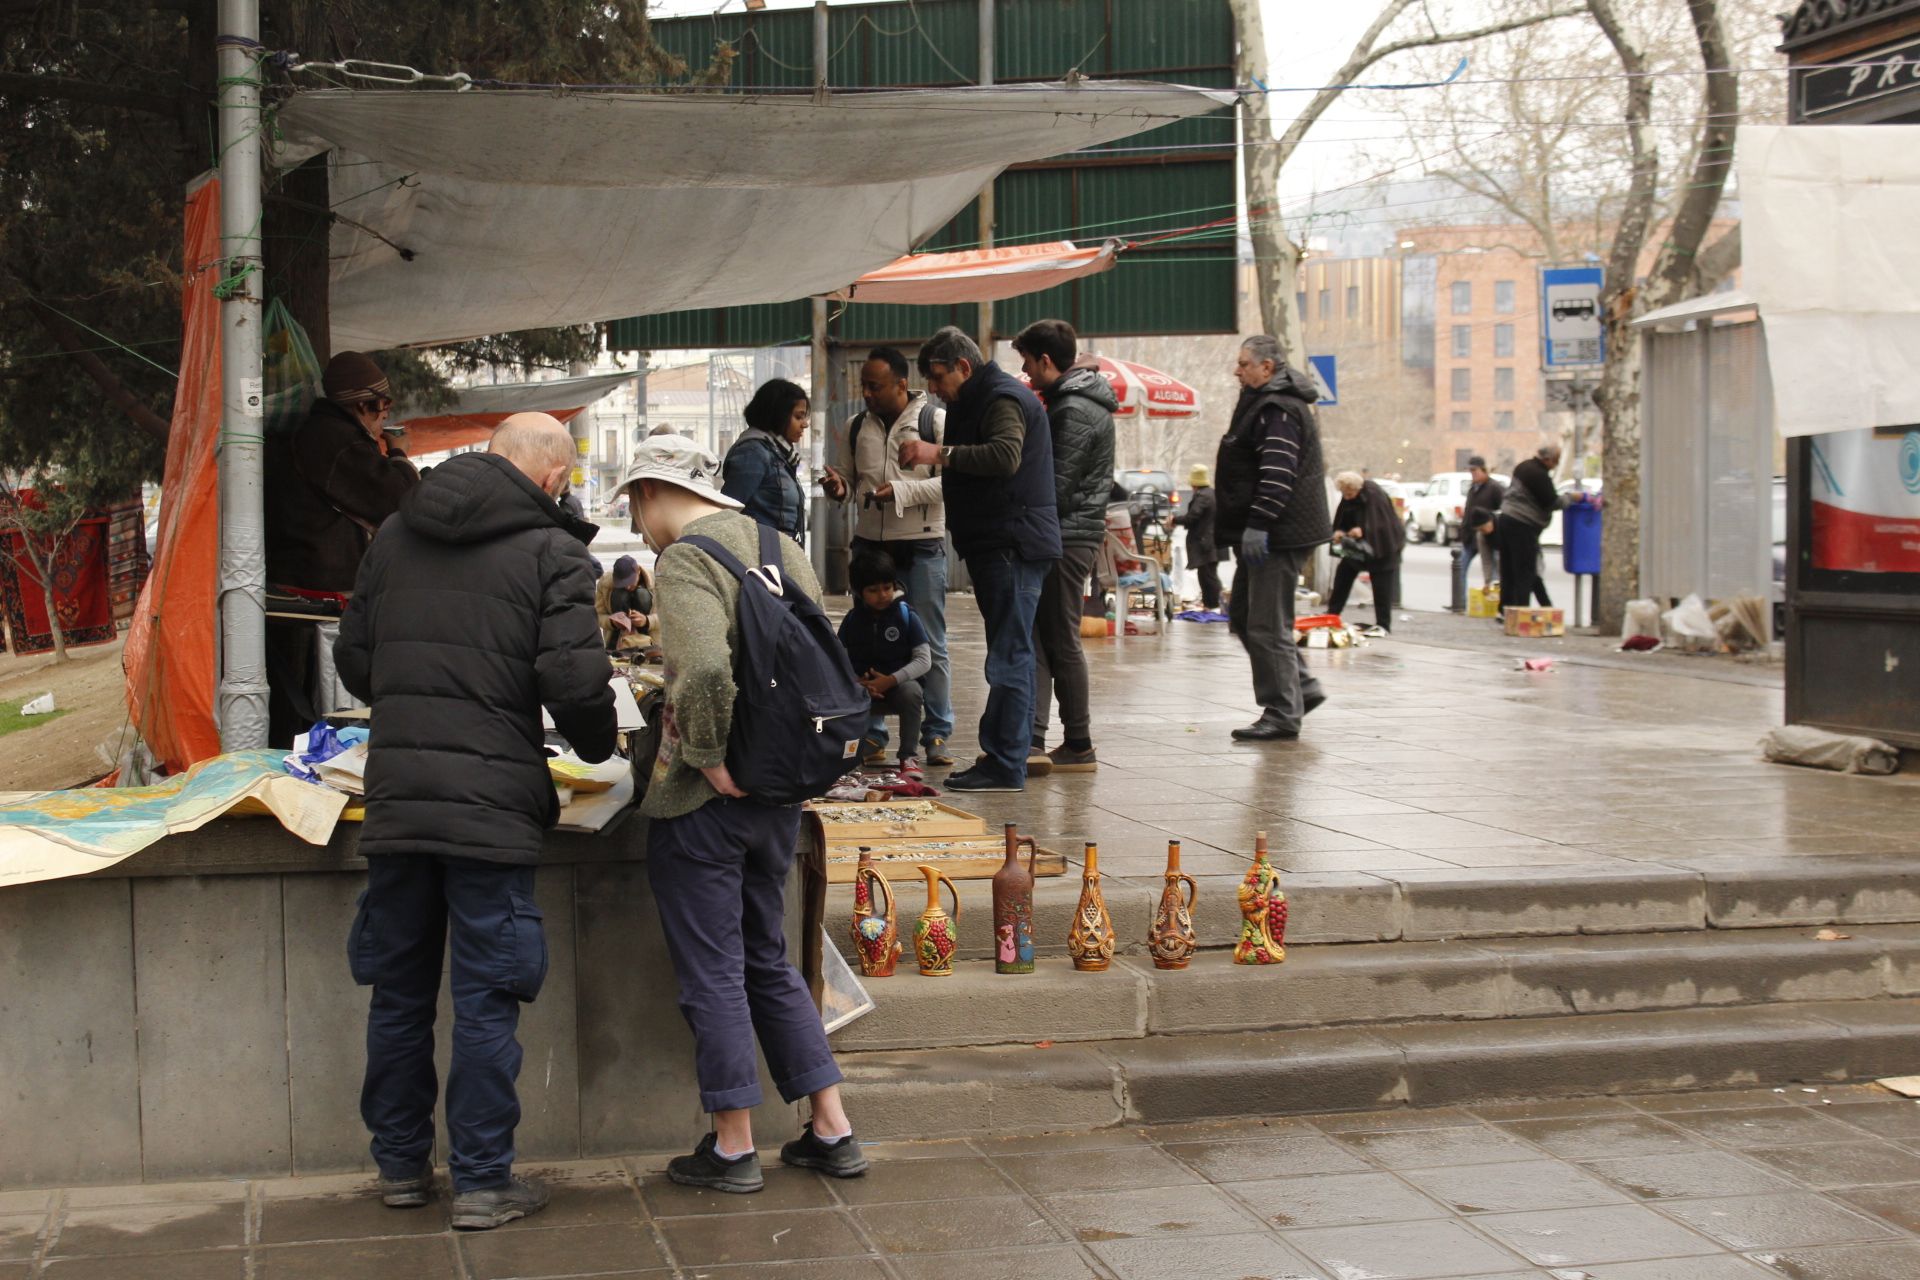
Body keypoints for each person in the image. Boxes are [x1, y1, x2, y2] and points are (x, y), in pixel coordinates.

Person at [333, 412, 617, 1231]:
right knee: (487, 998)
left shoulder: (394, 531)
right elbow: (574, 684)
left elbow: (355, 657)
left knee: (398, 993)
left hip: (396, 797)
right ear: (554, 477)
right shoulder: (552, 550)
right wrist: (603, 747)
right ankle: (485, 1182)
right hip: (491, 810)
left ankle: (400, 1170)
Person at [624, 432, 864, 1192]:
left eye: (636, 510)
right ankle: (831, 1126)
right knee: (768, 957)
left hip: (710, 803)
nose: (638, 529)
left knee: (715, 971)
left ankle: (733, 1146)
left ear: (650, 493)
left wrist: (708, 757)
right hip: (781, 795)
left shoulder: (686, 558)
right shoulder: (779, 543)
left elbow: (700, 673)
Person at [899, 326, 1063, 792]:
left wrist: (939, 453)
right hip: (999, 541)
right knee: (1011, 653)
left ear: (963, 367)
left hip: (1011, 542)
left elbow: (1005, 456)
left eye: (936, 377)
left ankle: (1005, 762)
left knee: (1010, 656)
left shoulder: (1001, 398)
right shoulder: (975, 399)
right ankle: (1004, 755)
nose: (932, 388)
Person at [264, 350, 420, 744]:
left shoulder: (327, 434)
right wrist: (399, 453)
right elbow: (398, 498)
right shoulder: (334, 439)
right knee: (329, 715)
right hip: (316, 590)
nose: (386, 414)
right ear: (364, 404)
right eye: (383, 406)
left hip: (304, 582)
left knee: (305, 705)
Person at [823, 347, 955, 768]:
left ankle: (936, 735)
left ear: (901, 384)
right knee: (867, 639)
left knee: (929, 640)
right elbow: (847, 476)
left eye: (875, 386)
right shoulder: (856, 424)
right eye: (864, 386)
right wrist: (838, 489)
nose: (867, 394)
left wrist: (900, 492)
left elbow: (953, 484)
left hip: (920, 543)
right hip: (869, 544)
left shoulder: (934, 421)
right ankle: (874, 735)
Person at [1212, 336, 1331, 742]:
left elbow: (1278, 474)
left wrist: (1259, 523)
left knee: (1266, 623)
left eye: (1244, 364)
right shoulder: (1265, 403)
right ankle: (1301, 689)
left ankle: (1282, 711)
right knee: (1246, 617)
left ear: (1268, 367)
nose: (1237, 370)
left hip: (1279, 533)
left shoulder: (1277, 408)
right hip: (1271, 530)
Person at [1014, 320, 1114, 773]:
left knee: (1058, 638)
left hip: (1066, 535)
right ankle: (1039, 738)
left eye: (1029, 361)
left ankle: (1076, 741)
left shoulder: (1072, 408)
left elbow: (1053, 483)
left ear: (1047, 361)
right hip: (1070, 533)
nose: (1026, 370)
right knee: (1046, 636)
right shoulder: (1077, 402)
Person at [838, 547, 933, 778]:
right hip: (863, 690)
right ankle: (847, 760)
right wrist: (855, 683)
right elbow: (836, 658)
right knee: (840, 697)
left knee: (912, 692)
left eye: (887, 588)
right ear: (859, 592)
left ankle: (908, 757)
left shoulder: (905, 615)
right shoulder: (851, 621)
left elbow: (924, 660)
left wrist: (890, 681)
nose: (883, 595)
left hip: (896, 689)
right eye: (873, 590)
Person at [721, 378, 810, 543]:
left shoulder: (779, 453)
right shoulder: (753, 452)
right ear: (778, 415)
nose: (805, 424)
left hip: (779, 554)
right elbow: (729, 511)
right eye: (798, 417)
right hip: (761, 557)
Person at [1327, 470, 1407, 633]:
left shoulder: (1374, 493)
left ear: (1357, 488)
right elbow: (1343, 519)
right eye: (1344, 494)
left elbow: (1382, 522)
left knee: (1381, 586)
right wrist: (1341, 531)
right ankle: (1332, 614)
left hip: (1384, 547)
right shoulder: (1349, 498)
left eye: (1350, 493)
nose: (1347, 497)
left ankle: (1383, 624)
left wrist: (1363, 529)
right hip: (1360, 549)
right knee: (1343, 576)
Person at [1497, 443, 1564, 611]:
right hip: (1522, 524)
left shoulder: (1523, 467)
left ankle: (1505, 608)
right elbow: (1552, 501)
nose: (1555, 465)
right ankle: (1521, 610)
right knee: (1525, 570)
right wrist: (1572, 499)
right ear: (1548, 459)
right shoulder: (1538, 475)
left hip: (1505, 518)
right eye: (1556, 461)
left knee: (1509, 568)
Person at [1170, 463, 1226, 610]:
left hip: (1206, 542)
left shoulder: (1203, 497)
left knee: (1208, 576)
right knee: (1207, 574)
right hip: (1212, 540)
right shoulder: (1211, 493)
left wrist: (1174, 520)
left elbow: (1192, 516)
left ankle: (1213, 604)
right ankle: (1211, 603)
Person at [596, 554, 656, 652]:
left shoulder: (656, 582)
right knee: (620, 595)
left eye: (630, 582)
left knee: (642, 595)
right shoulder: (605, 583)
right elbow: (597, 615)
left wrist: (647, 621)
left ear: (638, 571)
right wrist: (612, 622)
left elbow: (668, 616)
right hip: (617, 640)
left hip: (651, 642)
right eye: (622, 584)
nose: (627, 587)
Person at [1461, 456, 1504, 590]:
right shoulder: (1472, 489)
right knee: (1460, 567)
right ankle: (1460, 601)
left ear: (1484, 470)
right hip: (1471, 536)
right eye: (1470, 471)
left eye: (1475, 470)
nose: (1472, 474)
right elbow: (1468, 512)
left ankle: (1497, 599)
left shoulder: (1495, 487)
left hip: (1491, 534)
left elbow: (1503, 510)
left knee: (1495, 570)